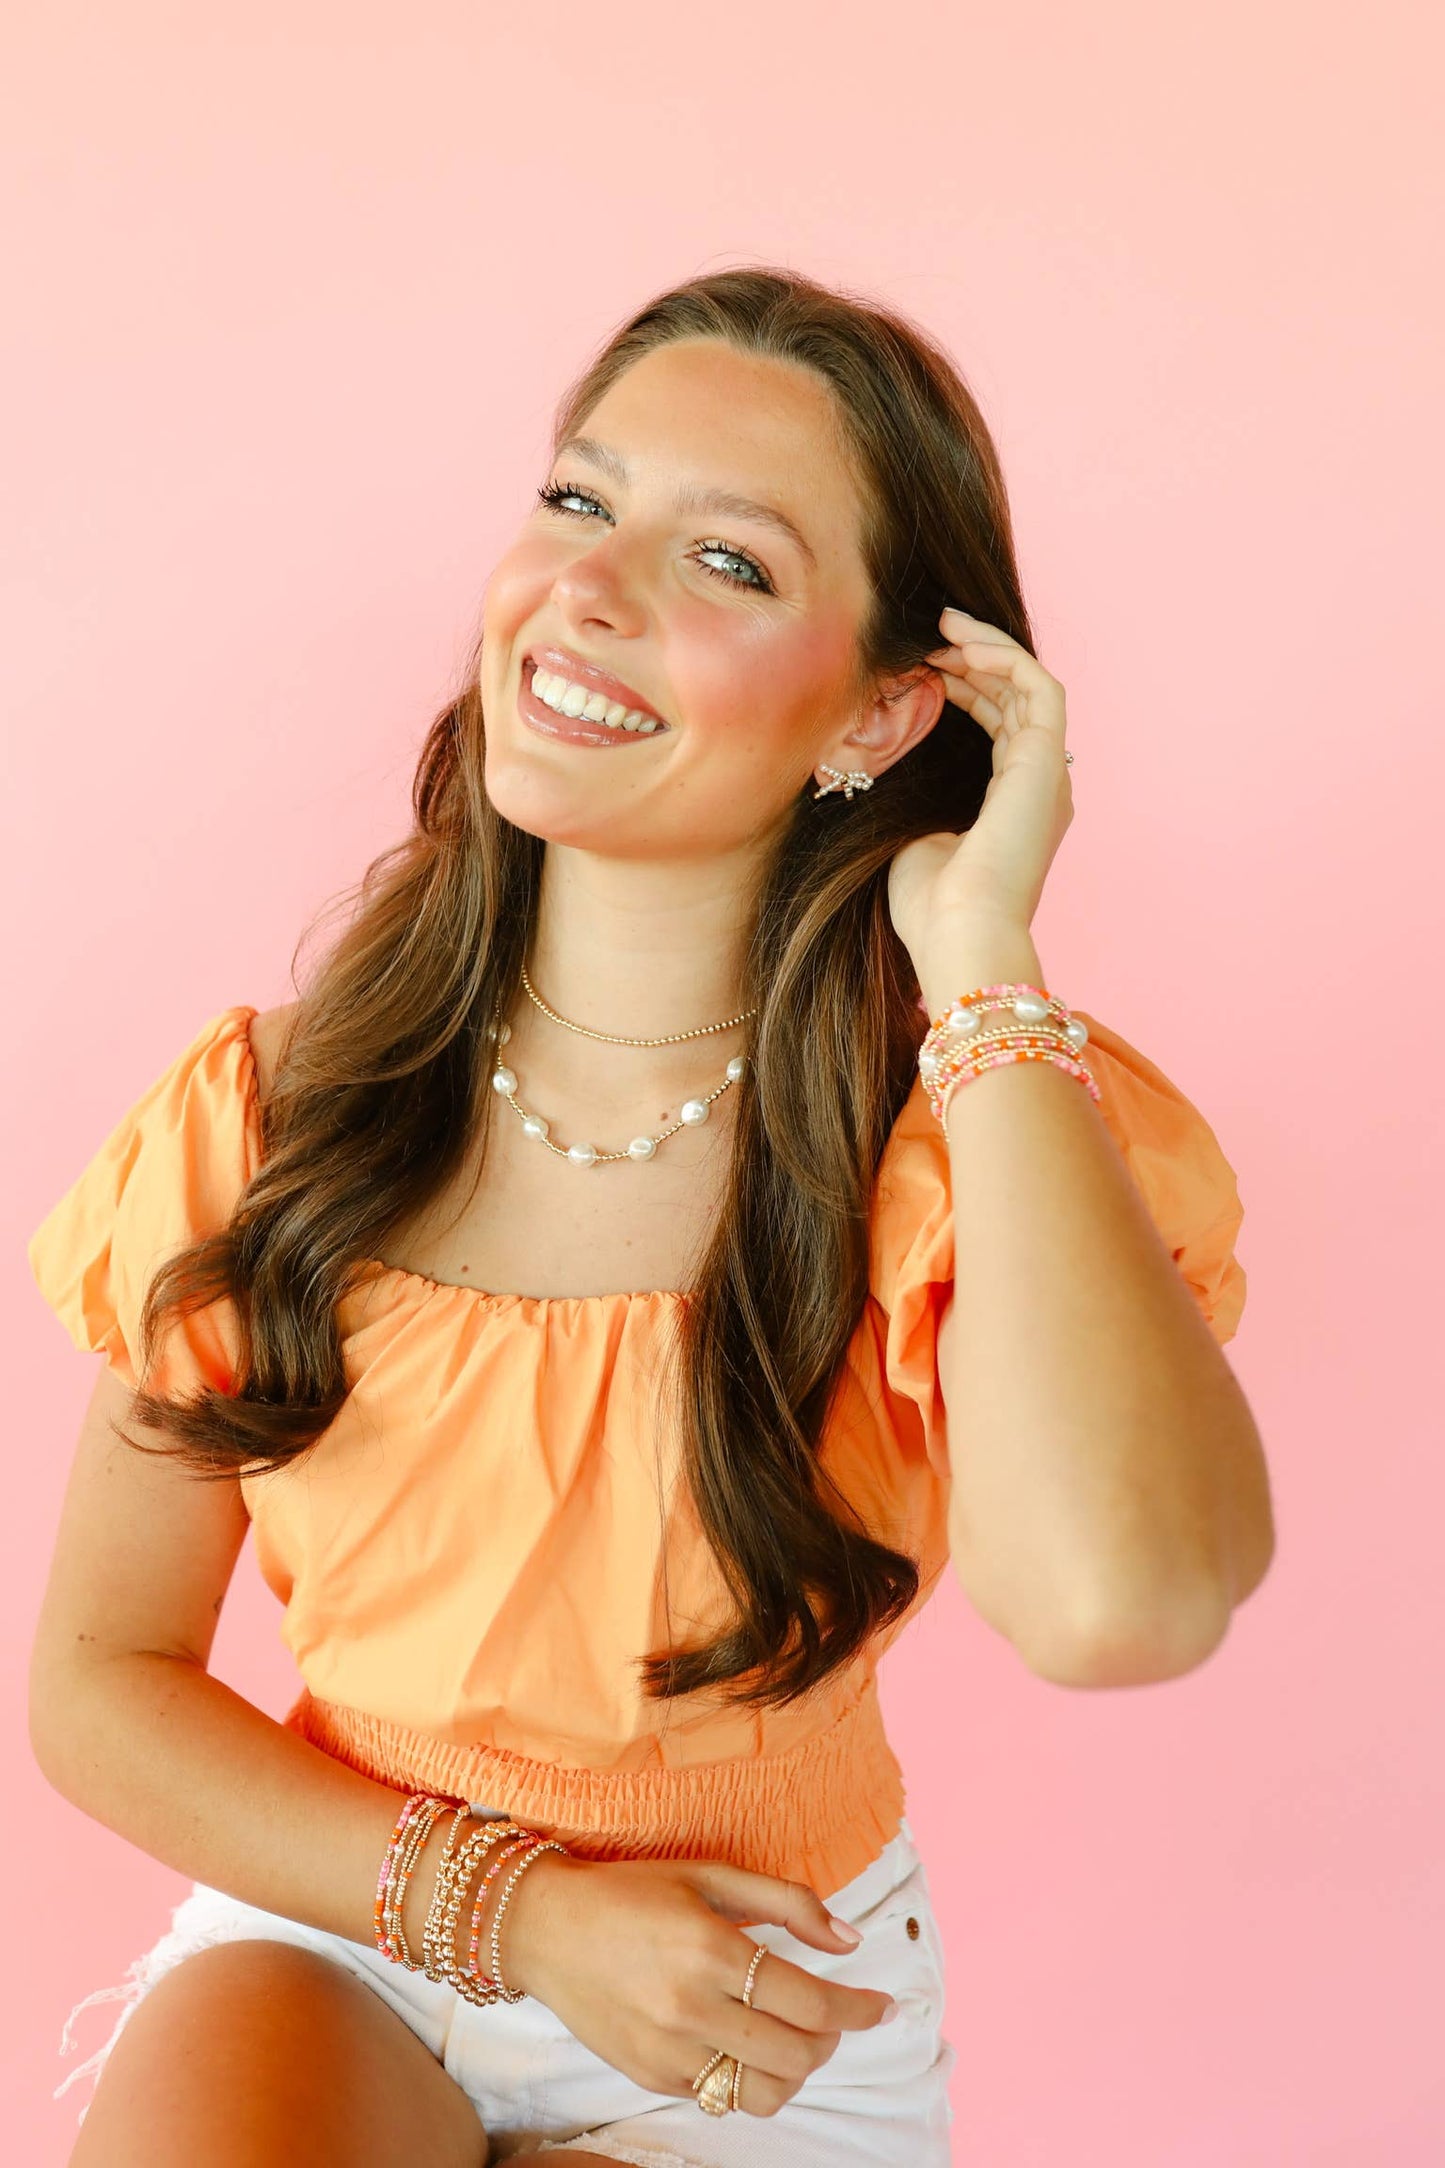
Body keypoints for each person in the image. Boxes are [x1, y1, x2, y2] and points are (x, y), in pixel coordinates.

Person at [27, 265, 1268, 2167]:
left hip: (758, 2022)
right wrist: (510, 1910)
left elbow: (1119, 1602)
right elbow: (99, 1684)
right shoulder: (270, 1114)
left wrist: (979, 964)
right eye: (579, 501)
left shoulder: (957, 1147)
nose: (590, 591)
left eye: (733, 564)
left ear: (884, 709)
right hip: (344, 1925)